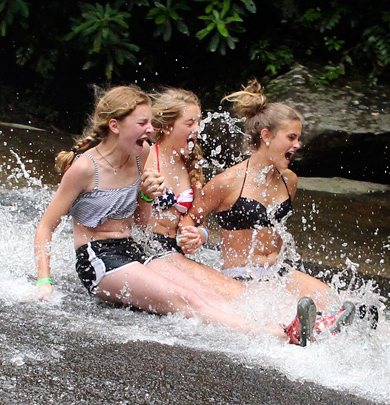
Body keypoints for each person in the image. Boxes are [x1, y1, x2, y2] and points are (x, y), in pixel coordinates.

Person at [180, 79, 390, 366]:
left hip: (280, 272)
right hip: (243, 278)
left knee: (350, 307)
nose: (298, 145)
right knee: (324, 317)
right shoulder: (227, 182)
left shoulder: (289, 180)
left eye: (299, 138)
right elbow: (190, 224)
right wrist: (199, 237)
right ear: (266, 136)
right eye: (291, 137)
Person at [33, 85, 316, 345]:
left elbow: (142, 225)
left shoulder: (139, 155)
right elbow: (46, 226)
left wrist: (145, 195)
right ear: (115, 125)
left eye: (150, 122)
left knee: (210, 295)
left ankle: (289, 323)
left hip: (135, 249)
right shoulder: (85, 168)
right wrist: (44, 282)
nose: (150, 128)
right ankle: (278, 335)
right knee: (188, 301)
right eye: (143, 123)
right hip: (99, 258)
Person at [142, 88, 245, 300]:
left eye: (198, 122)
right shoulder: (145, 157)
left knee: (234, 289)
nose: (197, 129)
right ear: (167, 126)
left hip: (174, 252)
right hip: (147, 249)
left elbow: (200, 222)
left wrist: (200, 236)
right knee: (220, 293)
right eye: (189, 123)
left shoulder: (192, 165)